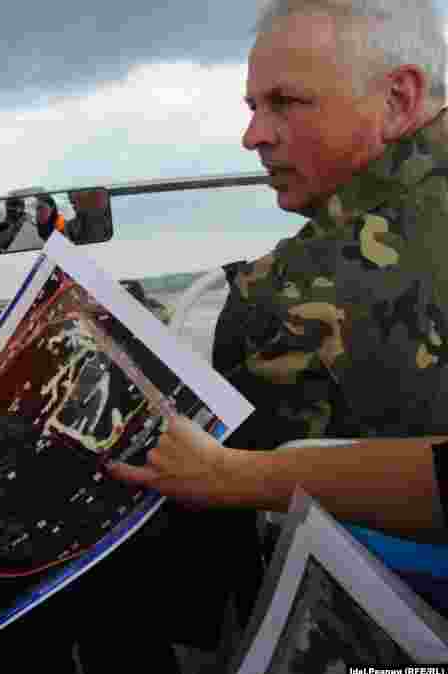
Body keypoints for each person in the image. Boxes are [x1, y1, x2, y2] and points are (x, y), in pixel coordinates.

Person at [110, 0, 448, 617]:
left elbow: (183, 470)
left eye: (286, 103)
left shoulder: (286, 299)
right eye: (253, 108)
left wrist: (233, 476)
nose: (254, 136)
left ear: (399, 99)